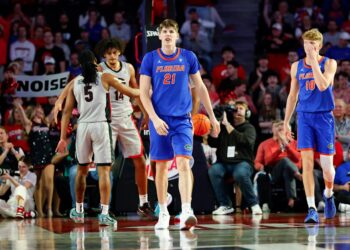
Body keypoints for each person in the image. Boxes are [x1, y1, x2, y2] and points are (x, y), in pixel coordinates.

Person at [139, 19, 220, 230]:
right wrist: (154, 119)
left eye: (170, 31)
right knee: (161, 167)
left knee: (184, 163)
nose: (167, 34)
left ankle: (186, 210)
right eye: (164, 31)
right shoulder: (150, 59)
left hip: (183, 120)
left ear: (176, 35)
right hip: (160, 120)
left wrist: (212, 116)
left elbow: (200, 87)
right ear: (159, 35)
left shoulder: (188, 57)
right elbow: (143, 93)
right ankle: (163, 212)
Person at [56, 50, 139, 226]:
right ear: (96, 62)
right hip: (101, 125)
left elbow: (66, 112)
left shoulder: (75, 82)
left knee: (81, 171)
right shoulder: (105, 77)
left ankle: (78, 211)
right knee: (104, 172)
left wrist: (63, 138)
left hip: (83, 127)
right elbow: (130, 92)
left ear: (79, 65)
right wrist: (144, 91)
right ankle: (104, 213)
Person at [284, 28, 337, 223]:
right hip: (304, 117)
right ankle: (312, 208)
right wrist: (286, 122)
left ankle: (329, 193)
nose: (309, 47)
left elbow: (323, 85)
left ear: (319, 46)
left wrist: (314, 62)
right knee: (306, 163)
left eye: (313, 44)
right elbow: (292, 96)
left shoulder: (330, 63)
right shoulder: (296, 66)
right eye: (306, 43)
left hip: (324, 117)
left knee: (327, 168)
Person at [97, 38, 154, 218]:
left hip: (126, 118)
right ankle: (104, 208)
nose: (112, 56)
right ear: (104, 55)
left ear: (119, 53)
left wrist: (145, 113)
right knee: (106, 165)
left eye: (115, 53)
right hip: (107, 121)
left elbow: (136, 92)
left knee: (139, 159)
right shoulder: (99, 69)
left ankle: (143, 202)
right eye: (109, 53)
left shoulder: (128, 68)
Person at [208, 101, 262, 215]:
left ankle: (254, 204)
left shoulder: (249, 127)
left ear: (247, 113)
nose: (237, 110)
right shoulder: (223, 128)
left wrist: (228, 125)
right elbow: (213, 143)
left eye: (241, 108)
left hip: (243, 162)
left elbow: (245, 141)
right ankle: (225, 205)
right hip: (224, 163)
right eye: (235, 109)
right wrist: (215, 125)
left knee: (240, 173)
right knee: (213, 170)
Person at [255, 120, 301, 211]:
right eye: (277, 126)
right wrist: (280, 149)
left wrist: (286, 144)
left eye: (282, 126)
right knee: (284, 160)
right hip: (273, 173)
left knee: (287, 169)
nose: (280, 128)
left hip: (290, 171)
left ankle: (291, 199)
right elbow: (265, 161)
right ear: (272, 129)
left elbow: (299, 160)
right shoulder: (265, 144)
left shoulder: (295, 143)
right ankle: (297, 176)